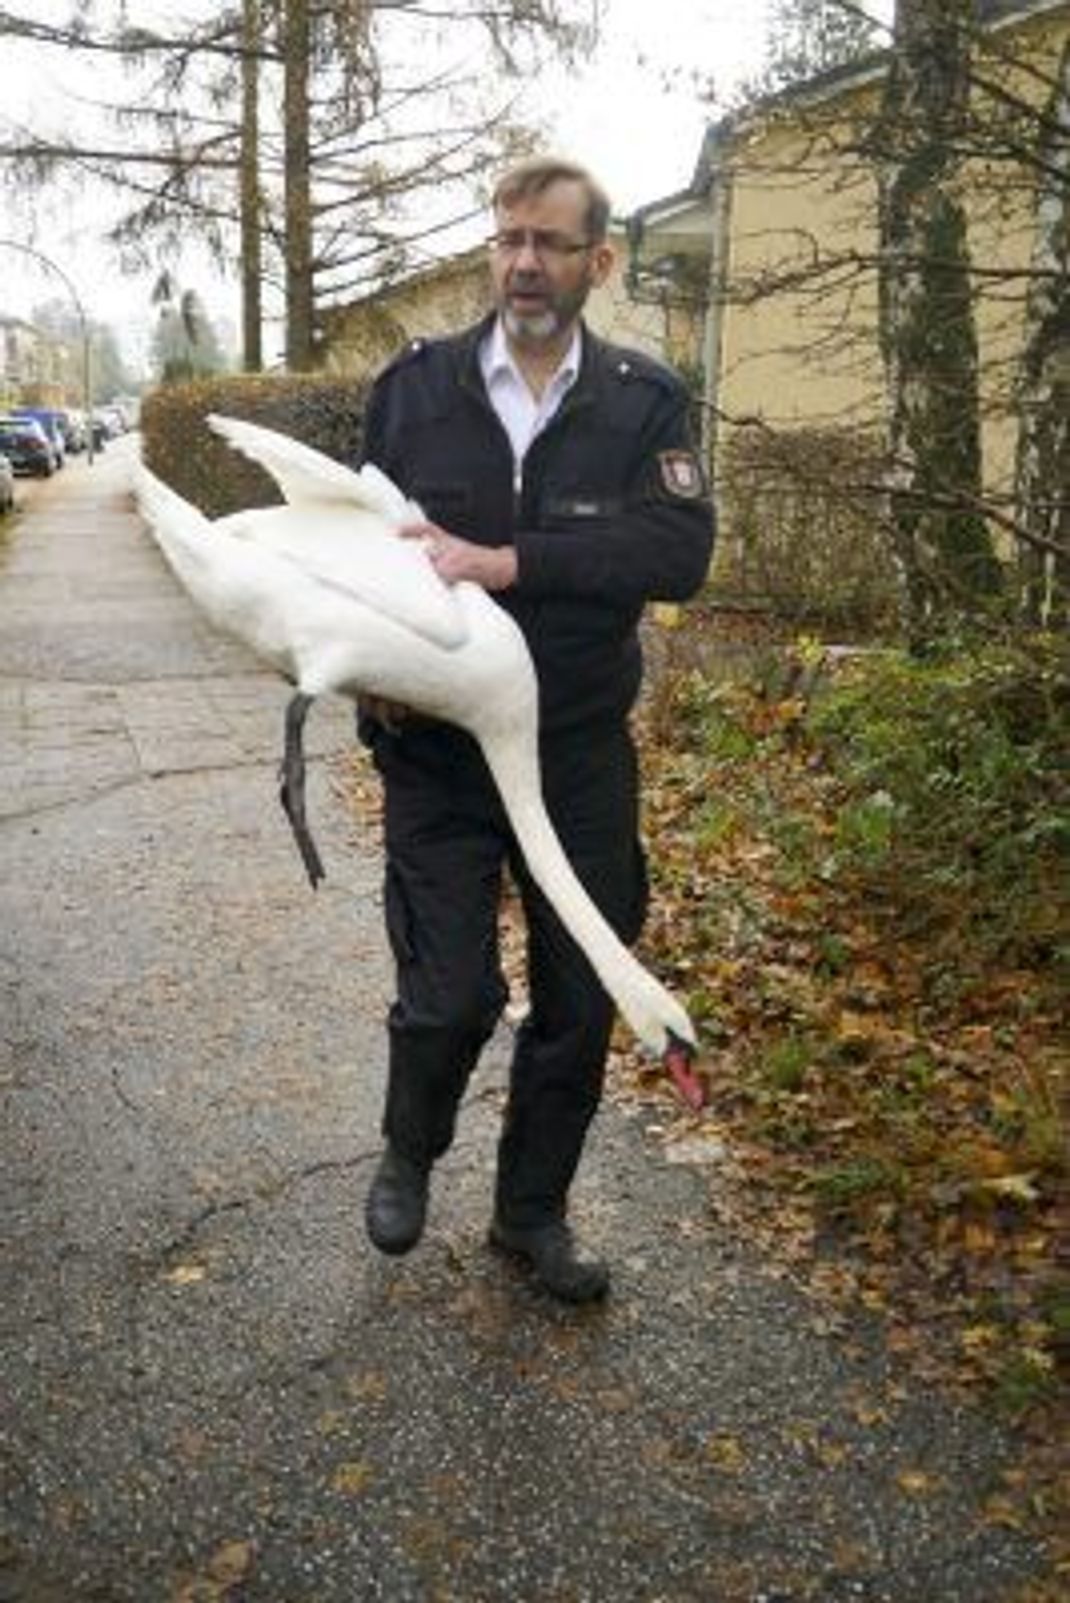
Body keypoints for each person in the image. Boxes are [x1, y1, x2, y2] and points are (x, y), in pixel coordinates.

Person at [358, 155, 714, 1303]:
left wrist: (515, 563)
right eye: (506, 236)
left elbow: (678, 553)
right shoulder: (412, 389)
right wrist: (363, 671)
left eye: (548, 243)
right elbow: (355, 553)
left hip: (571, 751)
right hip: (437, 747)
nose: (521, 260)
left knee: (575, 997)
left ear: (596, 263)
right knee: (450, 989)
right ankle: (409, 1147)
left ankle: (529, 1215)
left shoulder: (641, 399)